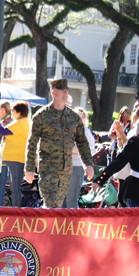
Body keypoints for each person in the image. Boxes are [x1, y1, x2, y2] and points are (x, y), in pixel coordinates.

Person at [25, 79, 94, 208]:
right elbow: (32, 143)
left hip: (66, 170)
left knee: (57, 206)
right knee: (52, 205)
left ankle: (49, 227)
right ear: (53, 92)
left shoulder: (74, 118)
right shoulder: (41, 116)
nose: (65, 94)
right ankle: (48, 227)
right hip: (47, 168)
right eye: (63, 91)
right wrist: (29, 168)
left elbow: (82, 143)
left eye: (67, 91)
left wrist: (88, 164)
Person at [0, 101, 31, 207]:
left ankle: (16, 211)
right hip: (14, 159)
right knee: (14, 187)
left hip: (16, 159)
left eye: (13, 111)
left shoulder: (20, 123)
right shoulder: (20, 122)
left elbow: (1, 132)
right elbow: (2, 129)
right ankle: (15, 210)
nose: (11, 114)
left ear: (19, 112)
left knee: (15, 187)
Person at [64, 107, 96, 208]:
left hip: (77, 168)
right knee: (62, 201)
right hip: (65, 167)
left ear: (84, 119)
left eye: (80, 117)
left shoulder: (85, 132)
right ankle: (61, 223)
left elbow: (90, 151)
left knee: (71, 201)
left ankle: (73, 223)